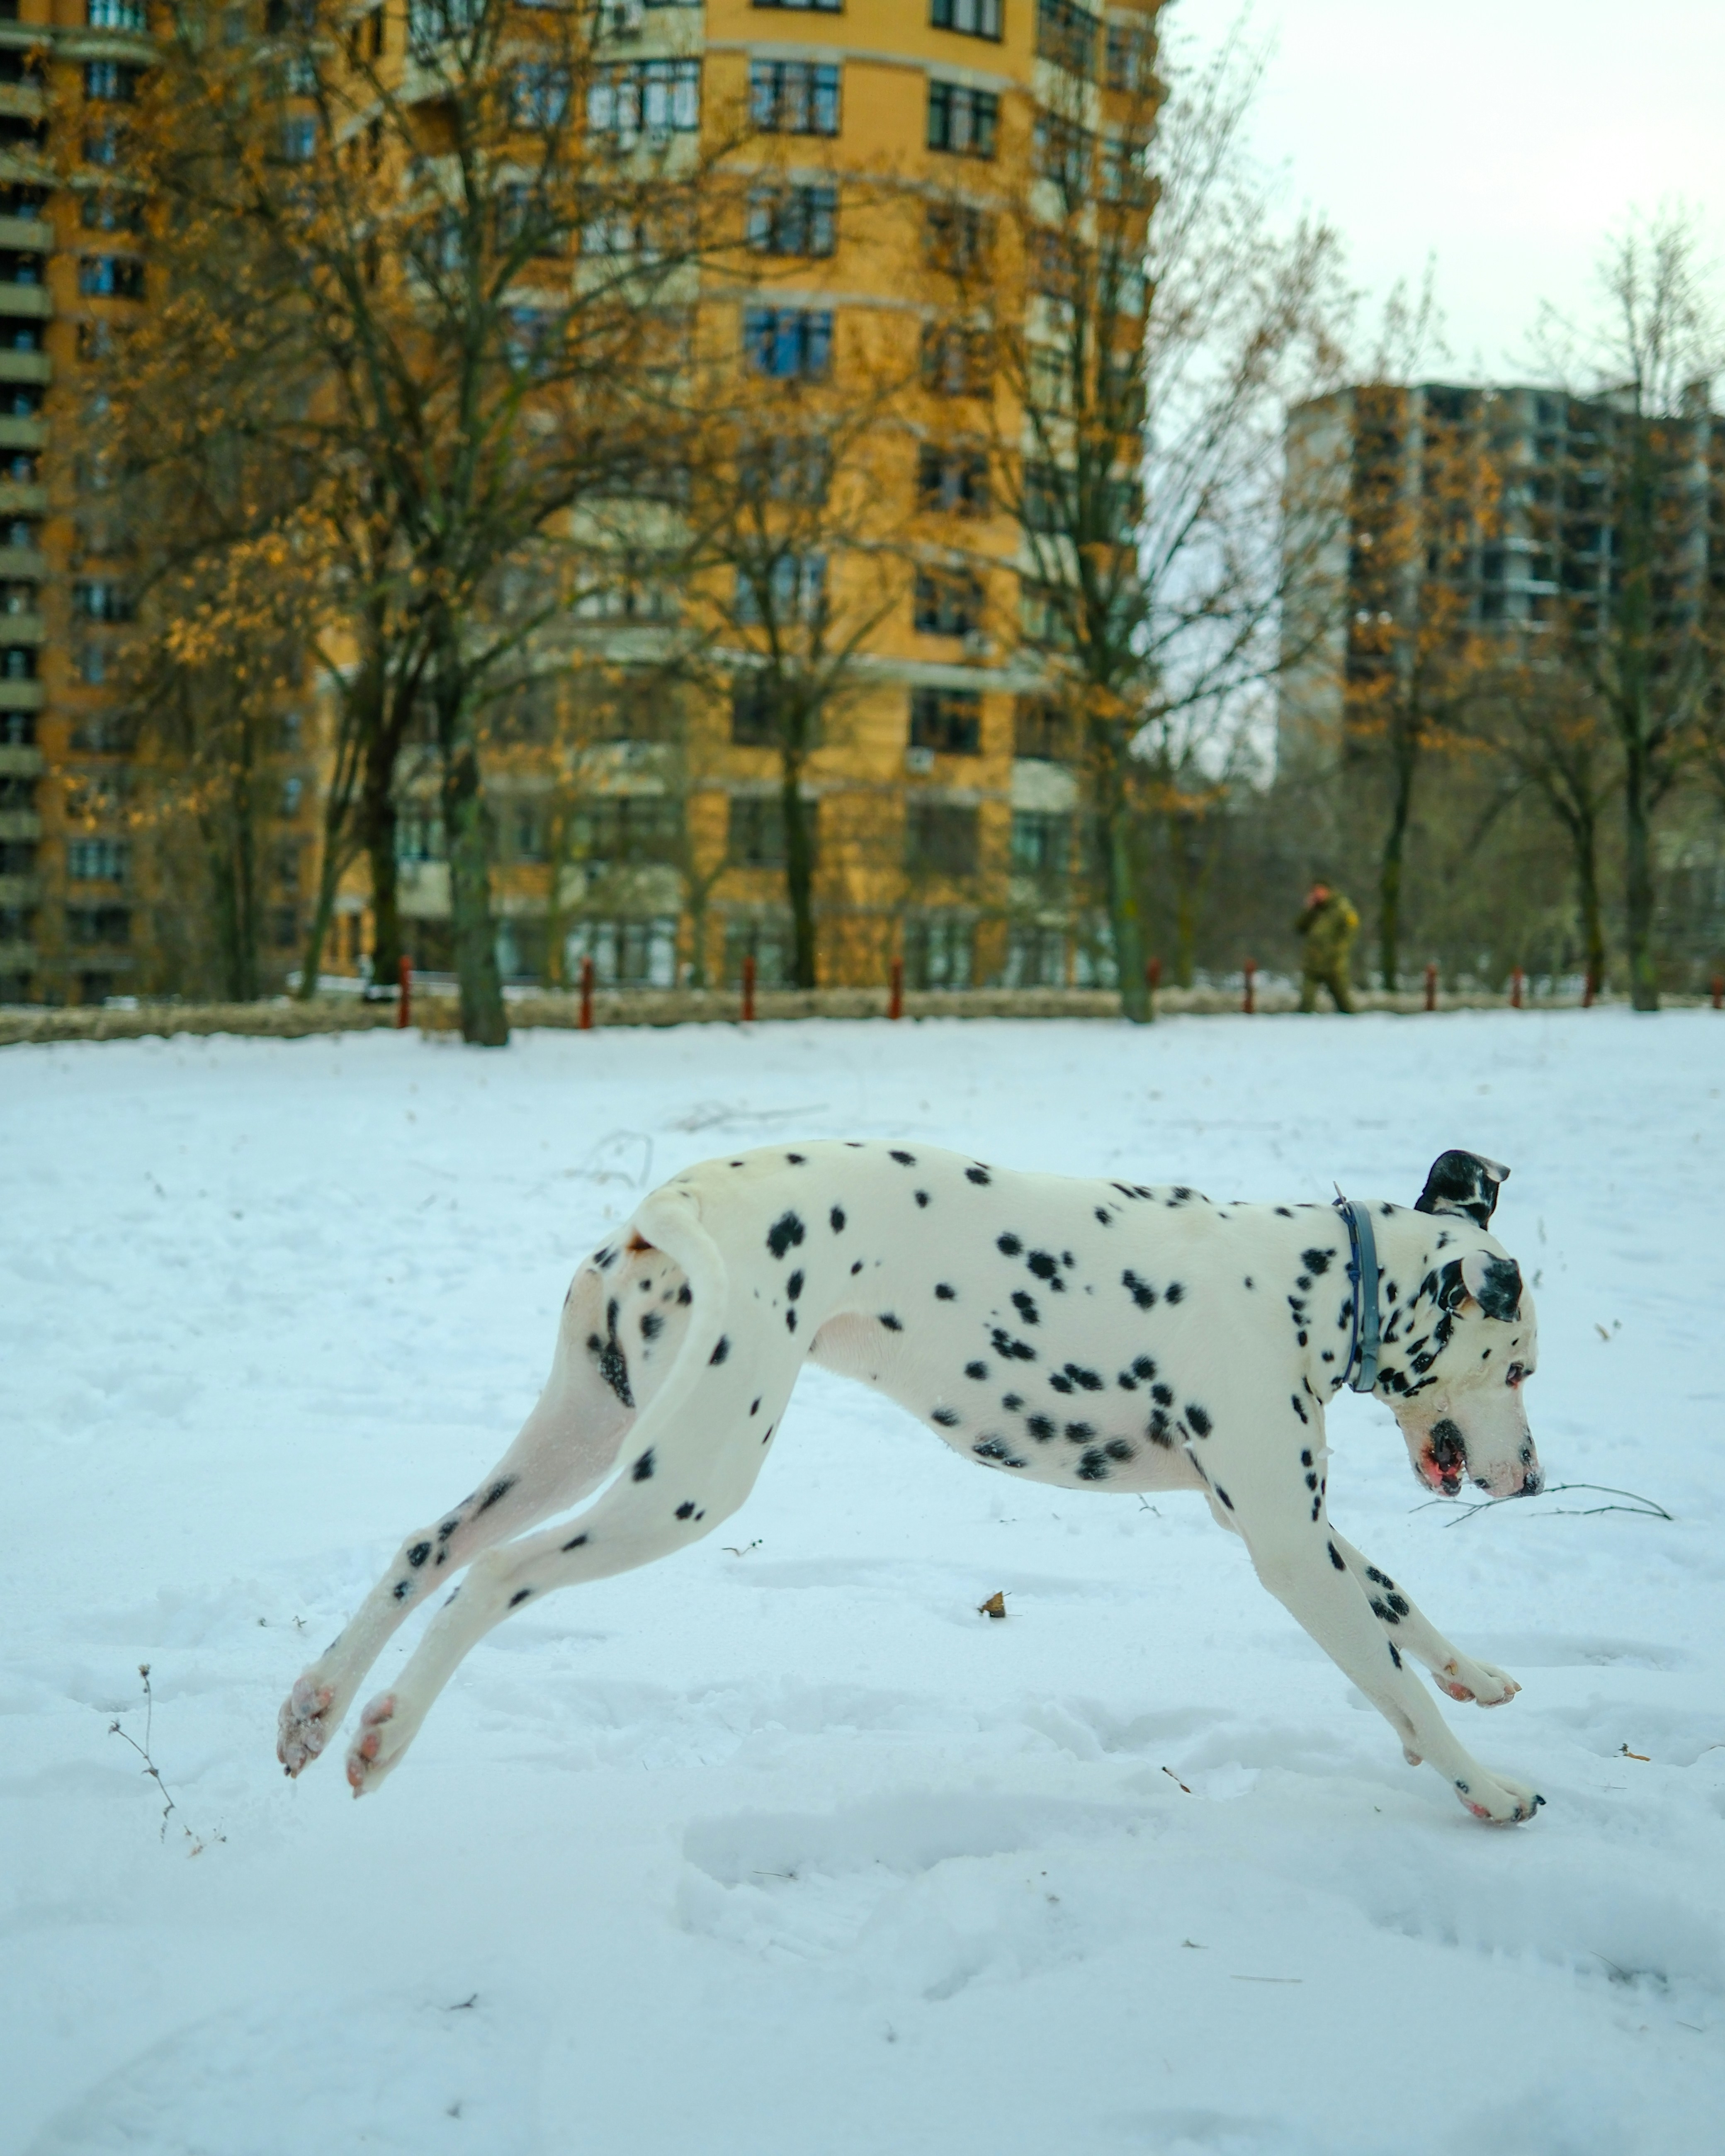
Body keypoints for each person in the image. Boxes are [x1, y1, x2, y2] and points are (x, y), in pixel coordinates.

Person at [1295, 882, 1358, 1012]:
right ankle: (1302, 1028)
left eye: (1320, 891)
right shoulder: (1315, 910)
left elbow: (1351, 931)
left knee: (1343, 1001)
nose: (1318, 895)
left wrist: (1339, 951)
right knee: (1307, 1002)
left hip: (1334, 963)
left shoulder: (1341, 908)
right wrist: (1309, 910)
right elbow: (1300, 928)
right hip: (1313, 963)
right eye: (1315, 892)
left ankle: (1353, 1026)